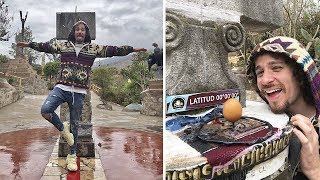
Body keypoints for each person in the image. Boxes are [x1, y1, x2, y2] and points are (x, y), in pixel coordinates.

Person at [17, 20, 146, 171]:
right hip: (61, 87)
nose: (80, 32)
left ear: (86, 33)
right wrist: (28, 45)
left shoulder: (93, 48)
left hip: (79, 92)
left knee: (75, 125)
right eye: (77, 29)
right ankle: (62, 128)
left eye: (82, 30)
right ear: (73, 32)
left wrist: (133, 50)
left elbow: (114, 50)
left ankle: (72, 156)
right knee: (46, 110)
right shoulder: (64, 45)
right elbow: (45, 46)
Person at [246, 36, 320, 179]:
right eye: (260, 72)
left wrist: (315, 171)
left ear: (300, 73)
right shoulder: (267, 125)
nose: (265, 80)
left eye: (276, 68)